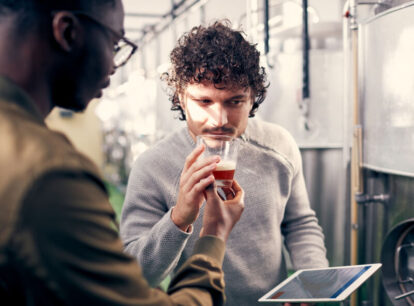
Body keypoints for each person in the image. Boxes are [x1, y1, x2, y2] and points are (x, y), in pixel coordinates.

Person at [0, 1, 245, 305]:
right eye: (115, 44)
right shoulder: (47, 172)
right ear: (67, 32)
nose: (114, 66)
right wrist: (214, 233)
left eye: (235, 101)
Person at [120, 20, 329, 306]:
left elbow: (299, 223)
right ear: (181, 98)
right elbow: (136, 276)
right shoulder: (153, 166)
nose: (219, 120)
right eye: (204, 101)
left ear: (253, 98)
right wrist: (179, 217)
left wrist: (314, 281)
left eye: (234, 101)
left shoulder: (278, 146)